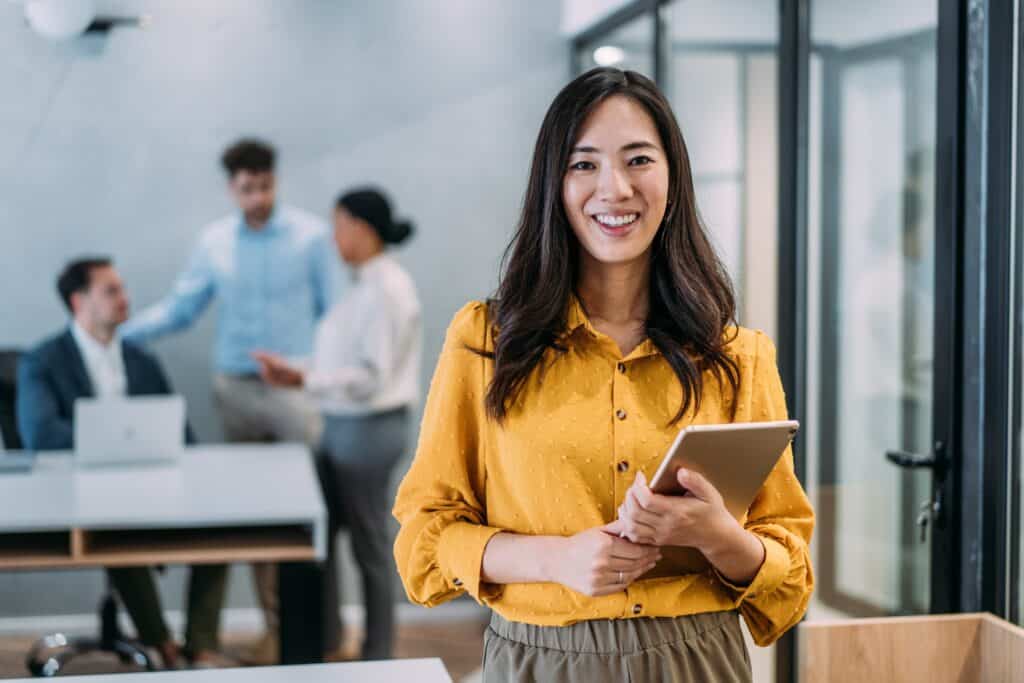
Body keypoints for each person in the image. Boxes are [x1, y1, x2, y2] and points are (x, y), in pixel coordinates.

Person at [392, 68, 814, 682]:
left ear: (673, 177)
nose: (614, 188)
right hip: (539, 660)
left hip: (699, 660)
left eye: (638, 159)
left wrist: (719, 535)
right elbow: (424, 538)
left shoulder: (738, 356)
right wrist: (554, 558)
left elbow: (791, 578)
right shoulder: (486, 340)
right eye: (583, 164)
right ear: (553, 185)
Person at [120, 139, 334, 663]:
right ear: (231, 187)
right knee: (253, 517)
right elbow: (181, 308)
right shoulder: (214, 242)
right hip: (235, 392)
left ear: (275, 181)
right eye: (246, 188)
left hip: (293, 393)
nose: (256, 196)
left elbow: (336, 314)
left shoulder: (311, 238)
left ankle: (314, 636)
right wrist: (115, 334)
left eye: (264, 185)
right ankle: (273, 630)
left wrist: (325, 377)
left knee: (305, 518)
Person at [16, 257, 228, 669]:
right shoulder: (42, 361)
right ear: (79, 301)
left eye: (123, 289)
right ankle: (162, 644)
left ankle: (200, 648)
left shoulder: (140, 360)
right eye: (111, 290)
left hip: (152, 486)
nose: (125, 299)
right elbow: (41, 435)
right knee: (118, 530)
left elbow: (179, 435)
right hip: (79, 494)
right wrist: (110, 443)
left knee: (221, 528)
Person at [253, 188, 421, 661]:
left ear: (360, 229)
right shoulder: (363, 284)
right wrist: (297, 371)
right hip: (345, 426)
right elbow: (344, 359)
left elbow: (371, 377)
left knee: (369, 545)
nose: (333, 237)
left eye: (337, 226)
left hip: (368, 429)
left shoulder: (387, 288)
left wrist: (306, 377)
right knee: (327, 537)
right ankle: (326, 641)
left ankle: (377, 654)